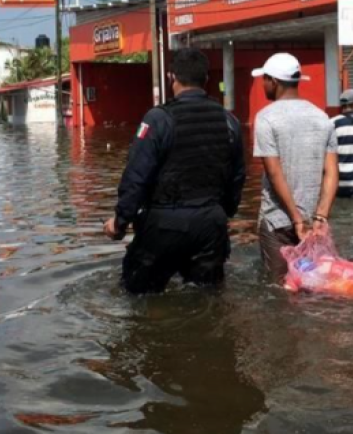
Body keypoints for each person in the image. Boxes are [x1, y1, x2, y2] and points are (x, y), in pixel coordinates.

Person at [103, 48, 246, 294]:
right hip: (210, 225)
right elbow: (237, 177)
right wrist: (222, 213)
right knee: (207, 299)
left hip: (164, 224)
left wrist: (120, 221)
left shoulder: (158, 119)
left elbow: (136, 176)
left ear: (172, 78)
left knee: (137, 295)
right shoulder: (229, 121)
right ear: (207, 79)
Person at [253, 52, 339, 281]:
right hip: (314, 223)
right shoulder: (323, 118)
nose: (263, 84)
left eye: (264, 79)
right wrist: (321, 217)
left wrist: (296, 219)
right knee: (313, 285)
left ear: (274, 81)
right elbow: (331, 172)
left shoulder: (265, 118)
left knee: (280, 289)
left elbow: (274, 172)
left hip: (278, 222)